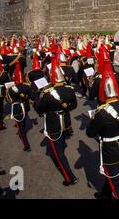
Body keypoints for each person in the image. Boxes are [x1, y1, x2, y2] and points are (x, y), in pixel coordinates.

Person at [86, 56, 119, 199]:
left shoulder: (101, 113)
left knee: (116, 184)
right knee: (112, 174)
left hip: (109, 149)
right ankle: (104, 194)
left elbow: (90, 133)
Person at [35, 54, 78, 186]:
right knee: (61, 143)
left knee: (57, 152)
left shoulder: (48, 94)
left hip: (53, 124)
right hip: (66, 121)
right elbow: (74, 106)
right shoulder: (70, 90)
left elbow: (39, 111)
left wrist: (37, 98)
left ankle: (69, 177)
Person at [5, 62, 32, 152]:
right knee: (24, 119)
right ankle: (23, 130)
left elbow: (8, 100)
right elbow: (31, 96)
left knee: (20, 127)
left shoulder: (11, 89)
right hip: (25, 105)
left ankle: (26, 145)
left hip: (17, 108)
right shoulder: (27, 86)